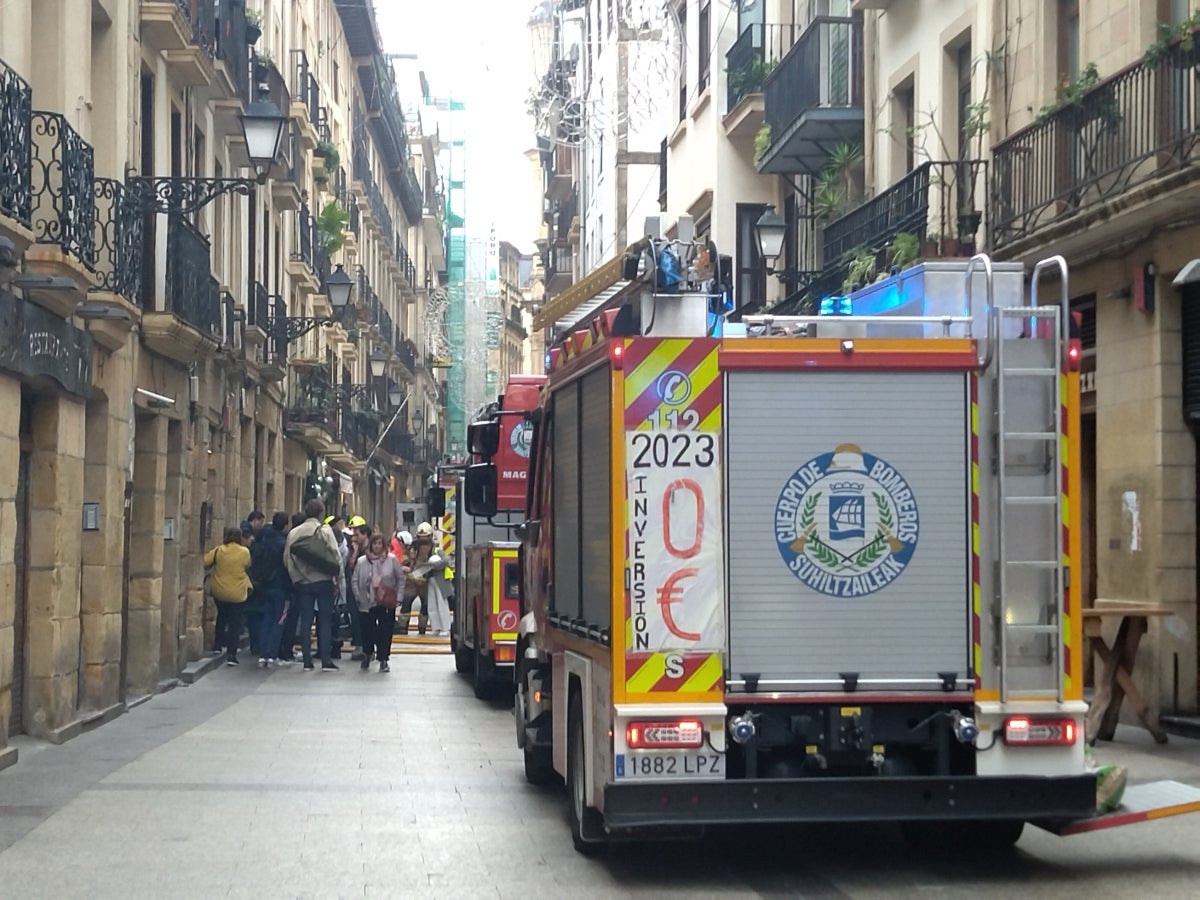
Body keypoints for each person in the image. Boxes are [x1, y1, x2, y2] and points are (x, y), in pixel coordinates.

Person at [284, 499, 341, 671]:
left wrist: (297, 578)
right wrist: (338, 578)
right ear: (321, 513)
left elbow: (287, 559)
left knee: (306, 621)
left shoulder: (294, 533)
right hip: (323, 581)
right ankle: (325, 660)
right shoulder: (324, 530)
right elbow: (335, 554)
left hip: (303, 583)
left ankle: (307, 661)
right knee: (324, 621)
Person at [352, 532, 406, 672]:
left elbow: (400, 579)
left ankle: (383, 659)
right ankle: (368, 653)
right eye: (374, 543)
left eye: (380, 544)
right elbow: (355, 580)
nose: (377, 546)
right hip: (366, 601)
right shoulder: (362, 561)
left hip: (386, 602)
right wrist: (358, 595)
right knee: (367, 630)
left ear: (384, 546)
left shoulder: (391, 560)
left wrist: (399, 597)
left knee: (385, 631)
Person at [203, 526, 252, 666]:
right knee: (234, 623)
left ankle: (217, 646)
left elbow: (206, 561)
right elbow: (248, 566)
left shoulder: (219, 550)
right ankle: (232, 654)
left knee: (222, 617)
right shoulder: (244, 552)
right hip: (237, 592)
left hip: (220, 590)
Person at [253, 512, 292, 668]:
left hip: (265, 585)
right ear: (284, 526)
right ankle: (272, 654)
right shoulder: (283, 543)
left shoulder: (262, 540)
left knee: (267, 620)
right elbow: (288, 565)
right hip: (281, 586)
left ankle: (263, 654)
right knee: (279, 621)